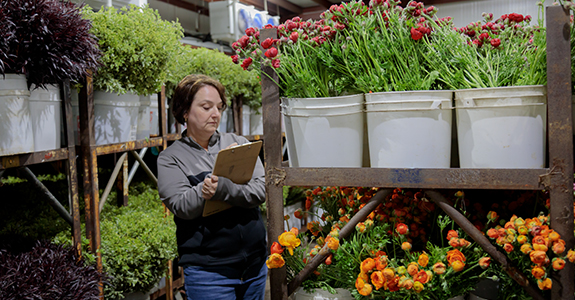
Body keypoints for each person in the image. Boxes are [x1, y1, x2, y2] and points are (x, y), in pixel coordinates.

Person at [157, 74, 267, 300]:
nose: (215, 114)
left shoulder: (239, 144)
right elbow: (181, 205)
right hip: (209, 273)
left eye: (218, 107)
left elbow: (261, 190)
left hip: (255, 265)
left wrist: (224, 188)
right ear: (185, 112)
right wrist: (204, 189)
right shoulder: (171, 158)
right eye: (206, 107)